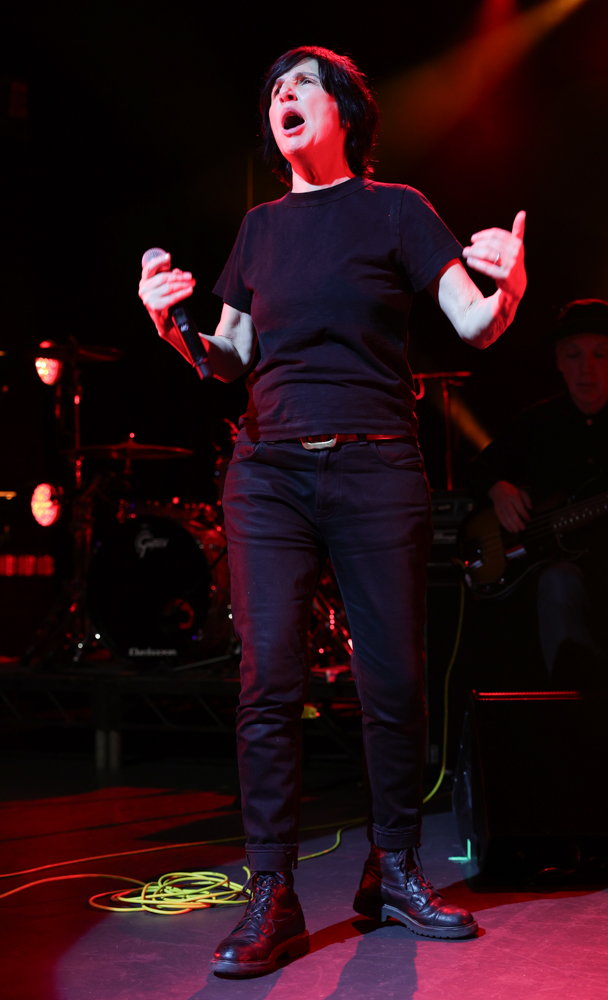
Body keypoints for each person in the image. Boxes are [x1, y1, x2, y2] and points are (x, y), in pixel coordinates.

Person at [139, 45, 526, 976]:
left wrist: (510, 281)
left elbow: (474, 324)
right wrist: (169, 325)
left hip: (375, 466)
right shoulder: (260, 228)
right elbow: (228, 356)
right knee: (268, 680)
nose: (283, 96)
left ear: (345, 108)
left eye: (301, 84)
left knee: (392, 680)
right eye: (273, 89)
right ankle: (271, 891)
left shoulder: (397, 209)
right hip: (268, 470)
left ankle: (392, 868)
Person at [474, 298, 608, 687]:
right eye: (573, 355)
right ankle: (569, 704)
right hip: (563, 584)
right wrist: (498, 487)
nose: (586, 368)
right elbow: (480, 467)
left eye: (600, 354)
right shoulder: (536, 422)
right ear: (558, 361)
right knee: (557, 584)